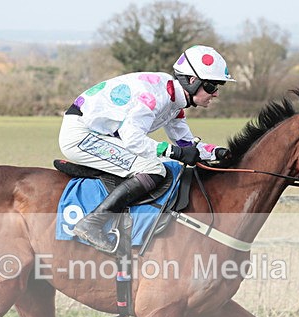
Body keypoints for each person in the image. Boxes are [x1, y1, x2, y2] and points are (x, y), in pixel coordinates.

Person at [59, 44, 235, 253]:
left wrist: (218, 152)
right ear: (192, 81)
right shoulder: (156, 96)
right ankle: (92, 224)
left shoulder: (174, 101)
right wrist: (174, 152)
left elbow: (186, 144)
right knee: (154, 169)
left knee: (163, 163)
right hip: (81, 135)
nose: (215, 94)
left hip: (100, 134)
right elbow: (133, 138)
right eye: (211, 86)